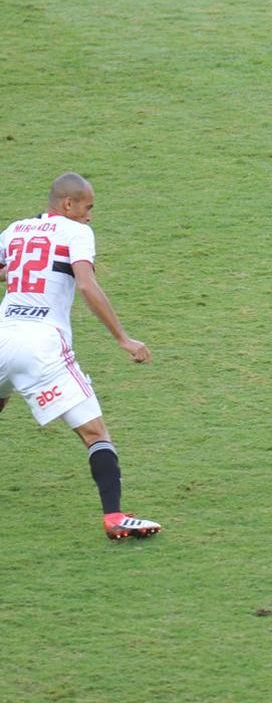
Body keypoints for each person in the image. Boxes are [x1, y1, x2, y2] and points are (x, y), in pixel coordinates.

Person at [0, 173, 161, 540]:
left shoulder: (14, 230)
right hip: (42, 345)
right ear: (68, 204)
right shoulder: (77, 233)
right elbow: (86, 284)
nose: (90, 216)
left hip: (3, 334)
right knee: (94, 432)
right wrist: (123, 338)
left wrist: (25, 273)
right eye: (87, 208)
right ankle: (115, 517)